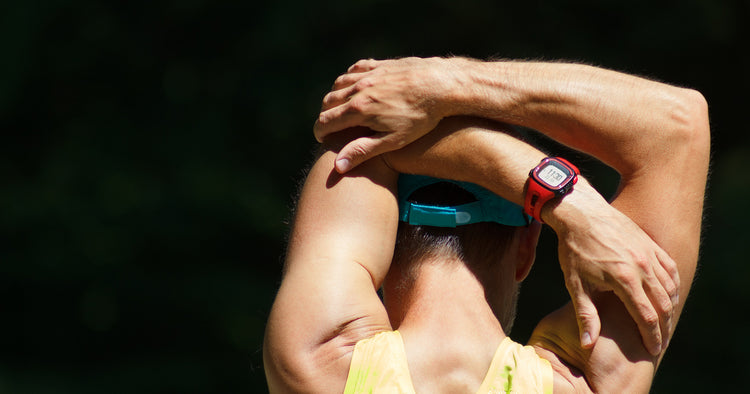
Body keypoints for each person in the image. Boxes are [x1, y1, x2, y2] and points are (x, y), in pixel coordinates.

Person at [264, 57, 709, 392]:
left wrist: (563, 201)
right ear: (526, 247)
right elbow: (678, 125)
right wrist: (446, 83)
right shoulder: (587, 384)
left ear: (382, 235)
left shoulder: (319, 362)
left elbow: (356, 139)